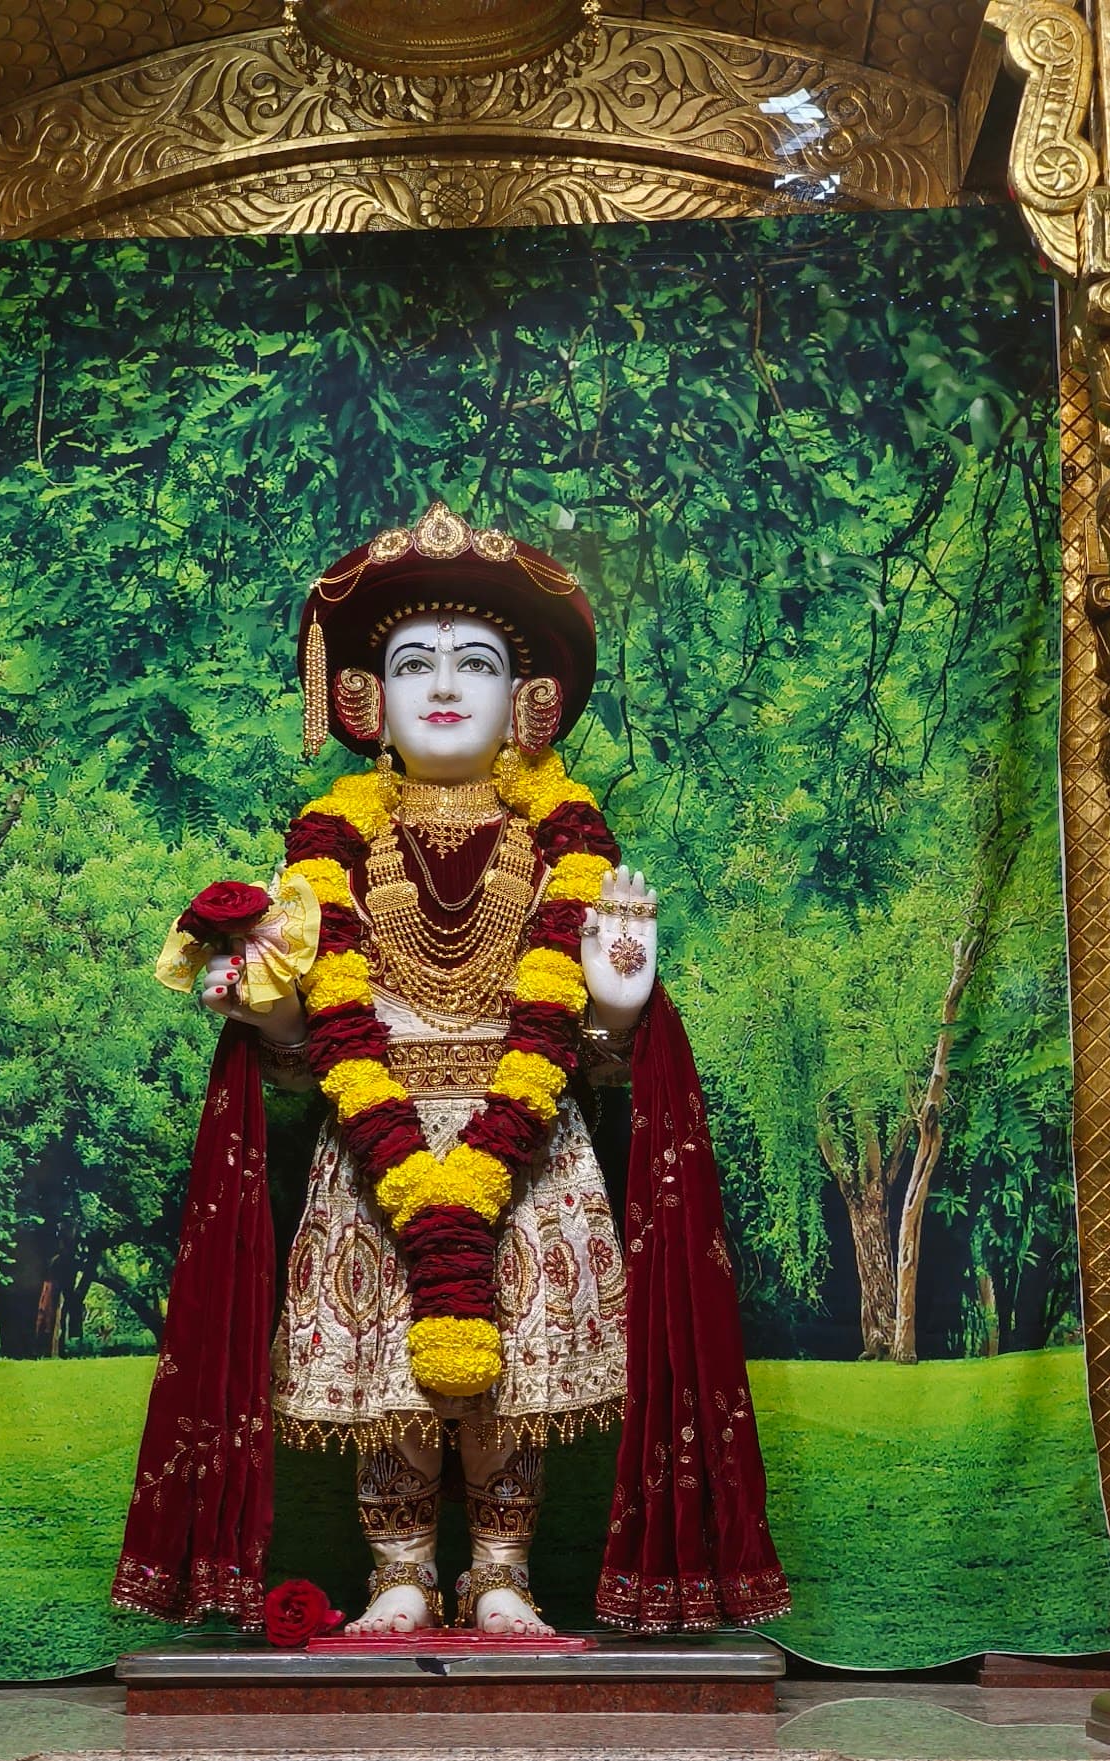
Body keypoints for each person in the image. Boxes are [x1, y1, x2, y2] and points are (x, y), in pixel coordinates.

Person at [115, 502, 788, 1639]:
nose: (442, 684)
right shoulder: (326, 848)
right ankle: (400, 1573)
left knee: (512, 1367)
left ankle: (504, 1570)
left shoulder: (568, 843)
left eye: (474, 663)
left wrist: (621, 1006)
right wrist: (265, 1009)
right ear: (365, 698)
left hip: (523, 1139)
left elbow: (596, 1051)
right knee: (389, 1369)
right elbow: (304, 1054)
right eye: (412, 660)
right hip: (373, 1140)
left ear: (527, 704)